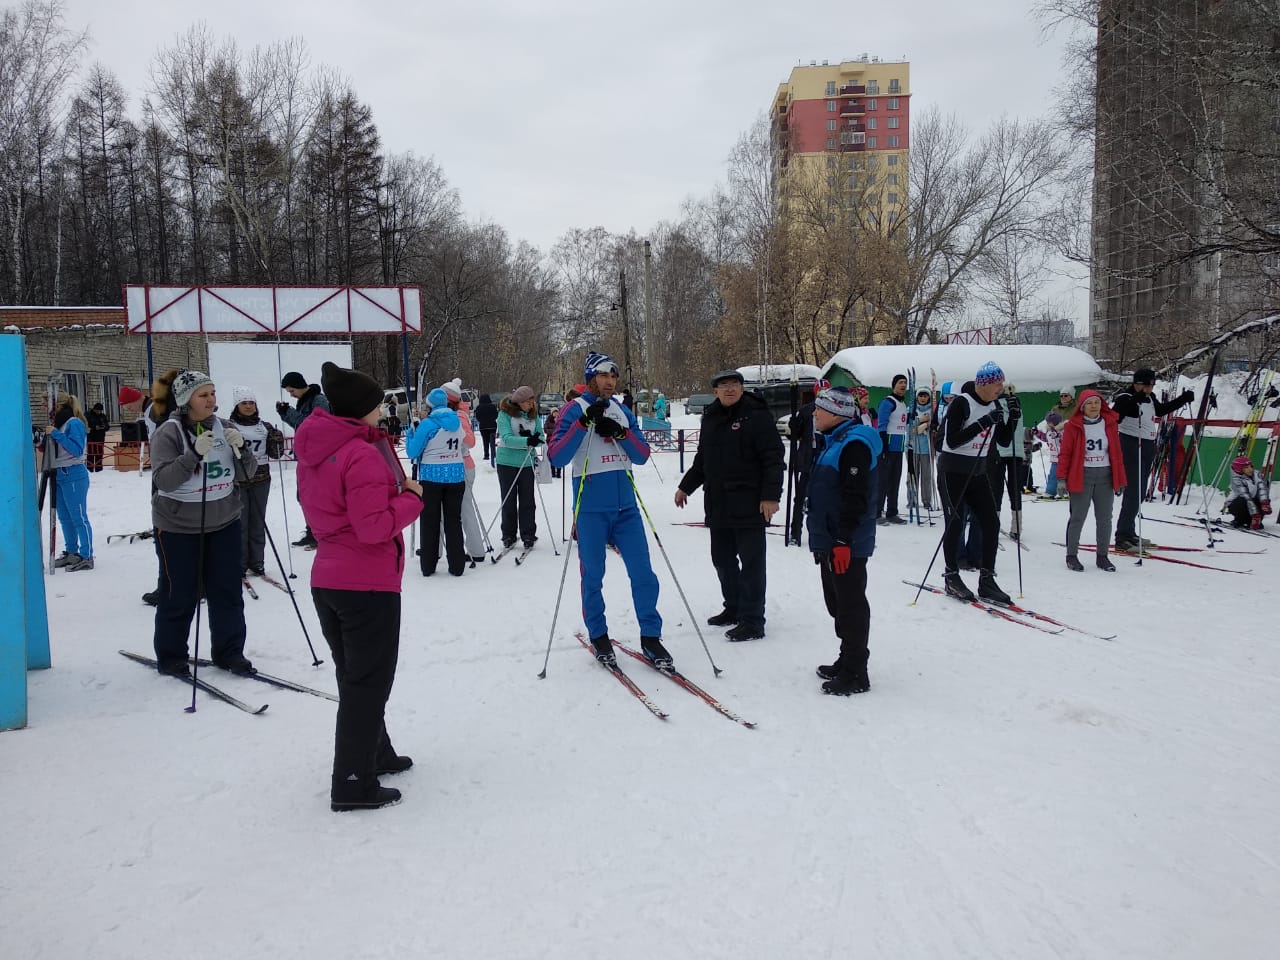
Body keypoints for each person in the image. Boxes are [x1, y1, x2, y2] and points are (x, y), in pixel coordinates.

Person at [295, 362, 424, 812]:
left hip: (330, 577)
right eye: (377, 404)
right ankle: (352, 781)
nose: (383, 410)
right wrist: (412, 497)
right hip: (364, 581)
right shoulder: (359, 452)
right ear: (363, 409)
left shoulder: (321, 446)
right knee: (366, 683)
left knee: (356, 679)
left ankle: (374, 753)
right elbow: (372, 527)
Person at [548, 352, 670, 667]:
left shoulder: (621, 410)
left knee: (644, 573)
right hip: (590, 509)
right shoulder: (573, 409)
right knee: (593, 576)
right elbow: (557, 457)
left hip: (626, 508)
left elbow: (642, 454)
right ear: (591, 377)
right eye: (604, 375)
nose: (610, 382)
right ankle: (599, 635)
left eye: (613, 377)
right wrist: (583, 424)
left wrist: (620, 433)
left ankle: (651, 638)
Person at [149, 369, 258, 676]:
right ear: (186, 400)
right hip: (178, 526)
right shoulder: (168, 432)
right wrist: (192, 455)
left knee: (227, 591)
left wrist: (242, 450)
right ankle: (172, 656)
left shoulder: (226, 426)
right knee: (179, 592)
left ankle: (230, 652)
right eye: (203, 395)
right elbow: (165, 481)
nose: (211, 400)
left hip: (224, 521)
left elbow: (247, 474)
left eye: (212, 393)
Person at [675, 369, 785, 641]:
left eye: (734, 384)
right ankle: (733, 608)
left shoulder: (756, 415)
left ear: (741, 387)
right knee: (722, 560)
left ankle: (752, 620)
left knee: (751, 563)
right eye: (723, 385)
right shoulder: (710, 417)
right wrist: (685, 486)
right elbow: (703, 459)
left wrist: (771, 496)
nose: (729, 389)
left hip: (750, 502)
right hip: (718, 501)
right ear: (715, 391)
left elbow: (773, 458)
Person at [807, 387, 882, 696]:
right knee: (836, 602)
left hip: (846, 541)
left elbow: (856, 498)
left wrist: (842, 540)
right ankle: (847, 657)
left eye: (819, 410)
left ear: (836, 414)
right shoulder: (834, 440)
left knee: (850, 604)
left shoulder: (854, 445)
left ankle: (856, 671)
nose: (814, 414)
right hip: (831, 539)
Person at [936, 361, 1015, 604]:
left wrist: (1012, 418)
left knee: (991, 522)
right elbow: (951, 440)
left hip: (977, 472)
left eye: (1001, 383)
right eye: (997, 383)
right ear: (983, 383)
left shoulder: (994, 403)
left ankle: (987, 579)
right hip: (952, 471)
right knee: (956, 522)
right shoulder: (962, 403)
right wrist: (984, 422)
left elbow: (1002, 441)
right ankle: (951, 576)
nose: (1000, 388)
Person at [1111, 368, 1195, 551]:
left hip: (1147, 444)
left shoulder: (1150, 397)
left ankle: (1129, 532)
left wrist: (1183, 399)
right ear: (1136, 383)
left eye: (1151, 385)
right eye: (1145, 385)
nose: (1149, 389)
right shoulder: (1125, 396)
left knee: (1140, 491)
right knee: (1134, 490)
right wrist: (1135, 399)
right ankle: (1122, 536)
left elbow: (1160, 411)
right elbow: (1117, 415)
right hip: (1131, 444)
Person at [1059, 389, 1127, 571]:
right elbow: (1065, 453)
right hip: (1082, 475)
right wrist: (1061, 478)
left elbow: (1117, 453)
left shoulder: (1109, 423)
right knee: (1077, 517)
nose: (1093, 406)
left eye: (1096, 402)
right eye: (1089, 403)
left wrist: (1120, 479)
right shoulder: (1073, 426)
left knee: (1105, 518)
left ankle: (1102, 556)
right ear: (1082, 406)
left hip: (1105, 475)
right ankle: (1071, 555)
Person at [406, 387, 467, 576]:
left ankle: (428, 565)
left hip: (431, 477)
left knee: (430, 521)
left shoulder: (428, 424)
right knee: (453, 520)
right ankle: (457, 565)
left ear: (430, 406)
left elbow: (412, 452)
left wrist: (410, 436)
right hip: (456, 475)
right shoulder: (457, 421)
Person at [229, 386, 284, 576]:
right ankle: (240, 563)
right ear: (237, 405)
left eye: (251, 403)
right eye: (244, 403)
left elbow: (275, 454)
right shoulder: (229, 426)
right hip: (239, 480)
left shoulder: (265, 426)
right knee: (240, 523)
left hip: (261, 479)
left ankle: (257, 561)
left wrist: (277, 440)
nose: (248, 406)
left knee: (258, 522)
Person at [277, 371, 331, 549]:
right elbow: (301, 425)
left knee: (315, 498)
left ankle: (320, 534)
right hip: (306, 457)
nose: (291, 394)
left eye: (292, 390)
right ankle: (312, 532)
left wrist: (289, 412)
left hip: (317, 457)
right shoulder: (305, 401)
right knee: (304, 497)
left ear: (299, 385)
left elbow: (313, 425)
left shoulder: (318, 401)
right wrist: (285, 414)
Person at [47, 393, 95, 571]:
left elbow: (75, 449)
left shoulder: (73, 423)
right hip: (58, 473)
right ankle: (71, 551)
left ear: (57, 406)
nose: (45, 408)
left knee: (78, 517)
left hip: (73, 472)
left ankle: (87, 554)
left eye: (48, 404)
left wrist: (56, 435)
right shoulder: (57, 424)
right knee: (64, 517)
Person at [441, 378, 486, 562]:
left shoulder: (459, 415)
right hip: (449, 467)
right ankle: (435, 549)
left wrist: (455, 431)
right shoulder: (447, 414)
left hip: (463, 466)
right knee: (446, 511)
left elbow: (471, 441)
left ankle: (476, 550)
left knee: (465, 509)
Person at [495, 385, 543, 549]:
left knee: (528, 500)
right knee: (508, 499)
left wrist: (538, 441)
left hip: (526, 462)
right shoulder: (505, 414)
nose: (531, 404)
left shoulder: (533, 415)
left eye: (532, 401)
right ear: (520, 402)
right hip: (507, 461)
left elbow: (541, 435)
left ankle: (528, 534)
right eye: (528, 402)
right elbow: (506, 438)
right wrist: (527, 441)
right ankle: (508, 534)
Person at [991, 383, 1026, 540]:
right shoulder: (1017, 405)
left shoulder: (995, 404)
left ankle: (994, 523)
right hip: (1016, 452)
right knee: (1015, 489)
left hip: (1000, 450)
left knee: (996, 488)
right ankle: (1017, 527)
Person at [875, 373, 910, 523]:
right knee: (883, 481)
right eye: (900, 382)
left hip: (898, 447)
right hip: (887, 446)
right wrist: (883, 447)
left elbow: (902, 422)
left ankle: (892, 511)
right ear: (894, 385)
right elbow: (882, 425)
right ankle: (876, 512)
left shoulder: (902, 403)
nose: (903, 385)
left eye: (905, 383)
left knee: (895, 481)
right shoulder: (888, 402)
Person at [787, 398, 816, 544]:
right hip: (807, 460)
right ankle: (795, 532)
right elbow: (797, 434)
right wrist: (794, 425)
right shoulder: (807, 410)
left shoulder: (834, 409)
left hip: (824, 460)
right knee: (800, 498)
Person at [907, 387, 935, 512]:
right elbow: (908, 428)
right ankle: (912, 499)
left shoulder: (932, 411)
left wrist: (929, 426)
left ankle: (927, 500)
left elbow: (935, 426)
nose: (923, 398)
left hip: (927, 448)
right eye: (920, 396)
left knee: (926, 476)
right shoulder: (911, 409)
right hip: (913, 447)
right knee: (912, 475)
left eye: (925, 396)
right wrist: (919, 421)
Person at [1226, 456, 1270, 528]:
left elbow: (1262, 489)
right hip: (1240, 502)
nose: (1250, 469)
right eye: (1246, 467)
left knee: (1264, 499)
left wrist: (1265, 503)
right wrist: (1255, 514)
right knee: (1241, 502)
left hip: (1253, 500)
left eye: (1251, 466)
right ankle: (1240, 520)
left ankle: (1256, 520)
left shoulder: (1257, 475)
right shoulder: (1236, 480)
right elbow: (1246, 497)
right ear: (1239, 469)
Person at [1037, 411, 1065, 497]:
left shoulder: (1062, 431)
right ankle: (1051, 492)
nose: (1048, 423)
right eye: (1047, 421)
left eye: (1050, 422)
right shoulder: (1049, 432)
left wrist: (1059, 435)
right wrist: (1036, 433)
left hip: (1063, 459)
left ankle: (1062, 492)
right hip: (1054, 459)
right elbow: (1045, 438)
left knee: (1061, 477)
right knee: (1052, 476)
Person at [474, 392, 499, 463]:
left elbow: (477, 417)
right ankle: (493, 454)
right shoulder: (493, 406)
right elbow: (496, 415)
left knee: (485, 441)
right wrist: (491, 419)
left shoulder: (479, 407)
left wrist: (482, 421)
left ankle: (486, 455)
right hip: (492, 426)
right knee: (492, 441)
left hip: (483, 426)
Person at [85, 402, 110, 472]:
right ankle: (90, 468)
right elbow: (85, 426)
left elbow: (108, 427)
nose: (99, 412)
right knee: (91, 453)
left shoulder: (103, 416)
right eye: (98, 410)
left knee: (99, 453)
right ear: (94, 409)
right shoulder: (88, 415)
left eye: (100, 411)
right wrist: (94, 427)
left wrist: (104, 427)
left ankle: (99, 468)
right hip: (91, 437)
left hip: (100, 437)